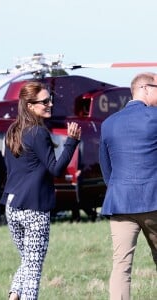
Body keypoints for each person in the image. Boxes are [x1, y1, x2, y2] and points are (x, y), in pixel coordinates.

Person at [1, 81, 81, 300]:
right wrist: (71, 143)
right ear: (30, 106)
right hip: (34, 207)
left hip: (12, 205)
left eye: (49, 99)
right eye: (44, 101)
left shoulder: (12, 130)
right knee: (33, 268)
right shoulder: (38, 133)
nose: (50, 104)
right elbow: (55, 169)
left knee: (28, 260)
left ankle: (14, 296)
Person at [99, 72, 157, 300]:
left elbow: (106, 168)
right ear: (145, 88)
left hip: (120, 203)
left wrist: (118, 190)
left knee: (121, 266)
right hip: (153, 201)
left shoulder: (108, 123)